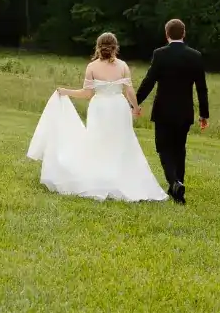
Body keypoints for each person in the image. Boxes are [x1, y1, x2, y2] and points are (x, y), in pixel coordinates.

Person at [25, 32, 167, 202]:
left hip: (100, 108)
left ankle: (101, 179)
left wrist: (66, 91)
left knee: (99, 142)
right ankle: (122, 180)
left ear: (98, 46)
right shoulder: (123, 66)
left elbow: (87, 94)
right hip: (119, 108)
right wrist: (136, 107)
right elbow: (129, 91)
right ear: (116, 47)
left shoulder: (92, 67)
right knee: (122, 143)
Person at [134, 18, 209, 205]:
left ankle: (174, 182)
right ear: (183, 34)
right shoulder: (195, 56)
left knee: (163, 148)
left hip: (163, 110)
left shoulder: (160, 54)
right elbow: (202, 87)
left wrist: (134, 102)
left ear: (166, 34)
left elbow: (149, 81)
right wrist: (204, 114)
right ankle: (178, 190)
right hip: (184, 111)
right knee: (179, 149)